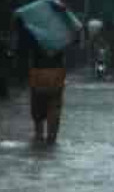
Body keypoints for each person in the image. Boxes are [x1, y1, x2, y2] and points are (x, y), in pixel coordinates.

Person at [16, 16, 72, 145]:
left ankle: (39, 135)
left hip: (38, 74)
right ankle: (52, 137)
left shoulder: (33, 34)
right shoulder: (59, 34)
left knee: (38, 107)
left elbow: (22, 51)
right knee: (54, 105)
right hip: (56, 74)